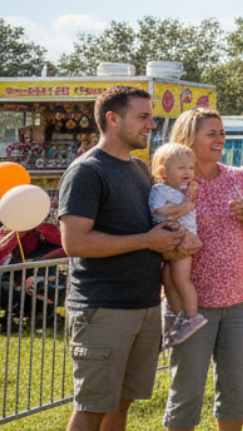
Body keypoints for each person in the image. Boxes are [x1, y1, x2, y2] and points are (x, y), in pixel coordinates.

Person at [58, 85, 187, 431]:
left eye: (151, 116)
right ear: (112, 119)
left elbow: (150, 226)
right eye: (143, 116)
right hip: (103, 308)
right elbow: (75, 242)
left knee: (121, 402)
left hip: (143, 305)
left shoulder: (140, 169)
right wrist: (147, 239)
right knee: (92, 407)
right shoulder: (87, 171)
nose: (151, 124)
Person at [163, 107, 243, 431]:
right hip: (193, 306)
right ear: (188, 137)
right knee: (186, 393)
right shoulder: (172, 184)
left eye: (221, 132)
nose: (220, 139)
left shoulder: (240, 178)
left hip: (242, 303)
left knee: (235, 392)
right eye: (211, 133)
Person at [149, 142, 207, 347]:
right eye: (182, 167)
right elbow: (162, 211)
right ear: (163, 172)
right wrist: (187, 205)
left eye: (191, 168)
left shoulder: (187, 191)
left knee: (181, 279)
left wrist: (187, 203)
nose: (188, 172)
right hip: (171, 241)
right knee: (167, 277)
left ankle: (192, 316)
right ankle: (178, 315)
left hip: (183, 242)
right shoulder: (160, 190)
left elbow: (177, 212)